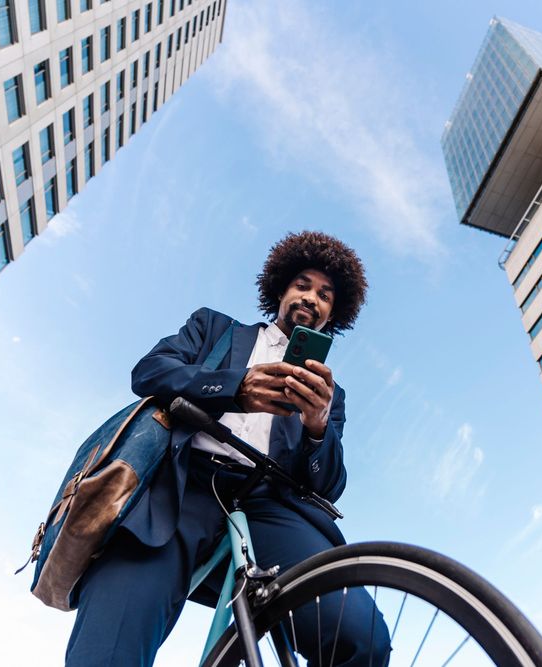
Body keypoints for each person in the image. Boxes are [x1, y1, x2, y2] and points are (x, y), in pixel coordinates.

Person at [65, 231, 391, 666]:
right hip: (180, 487)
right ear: (280, 289)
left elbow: (329, 485)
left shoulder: (332, 395)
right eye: (302, 285)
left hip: (270, 506)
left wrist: (316, 426)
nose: (311, 298)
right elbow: (149, 371)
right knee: (107, 648)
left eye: (325, 295)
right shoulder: (215, 329)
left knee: (361, 638)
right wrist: (235, 387)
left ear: (334, 313)